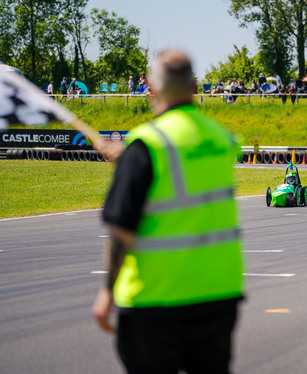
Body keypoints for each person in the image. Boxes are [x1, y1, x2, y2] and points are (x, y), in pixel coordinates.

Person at [92, 49, 245, 374]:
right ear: (194, 86)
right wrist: (130, 157)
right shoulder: (222, 140)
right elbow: (186, 164)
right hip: (218, 294)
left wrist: (106, 292)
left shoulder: (146, 144)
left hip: (156, 300)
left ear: (149, 87)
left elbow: (121, 229)